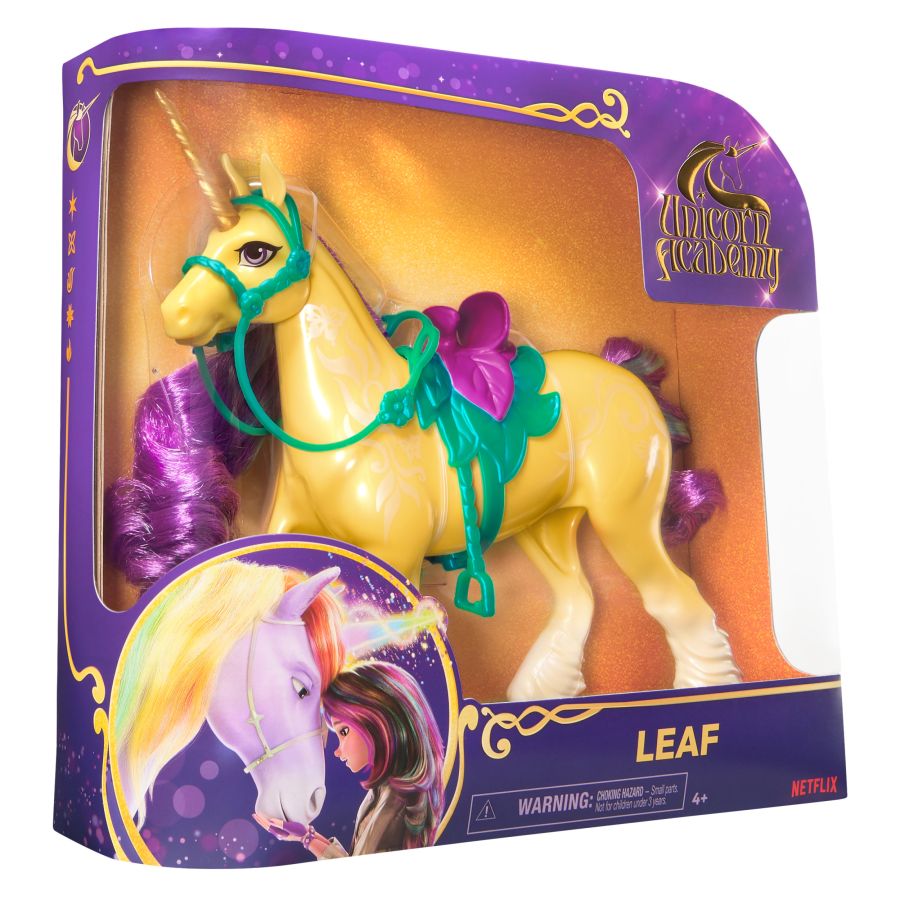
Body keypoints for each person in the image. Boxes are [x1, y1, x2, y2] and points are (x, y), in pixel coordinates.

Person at [307, 660, 445, 857]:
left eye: (343, 731)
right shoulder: (385, 789)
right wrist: (306, 836)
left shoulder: (396, 802)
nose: (337, 751)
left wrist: (307, 839)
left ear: (378, 723)